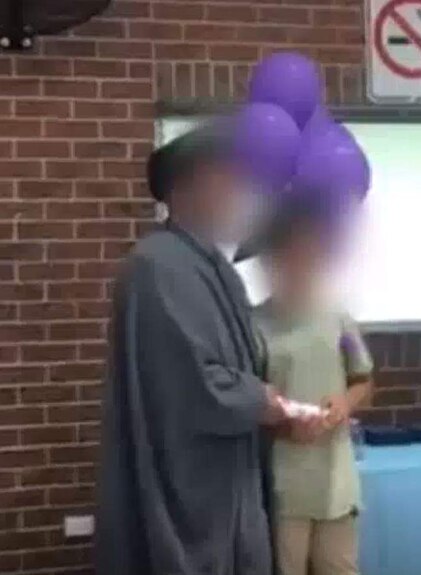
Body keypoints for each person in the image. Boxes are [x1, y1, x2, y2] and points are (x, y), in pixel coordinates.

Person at [95, 125, 308, 575]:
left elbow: (243, 362)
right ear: (183, 190)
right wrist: (263, 402)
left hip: (233, 476)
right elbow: (191, 383)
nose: (239, 195)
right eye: (227, 181)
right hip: (187, 489)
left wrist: (275, 409)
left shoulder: (217, 267)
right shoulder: (155, 264)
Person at [249, 192, 374, 575]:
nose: (299, 263)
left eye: (309, 253)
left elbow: (364, 380)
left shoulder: (339, 319)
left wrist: (344, 404)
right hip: (282, 483)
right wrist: (284, 426)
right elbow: (244, 401)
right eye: (289, 255)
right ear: (271, 262)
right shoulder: (253, 325)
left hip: (335, 480)